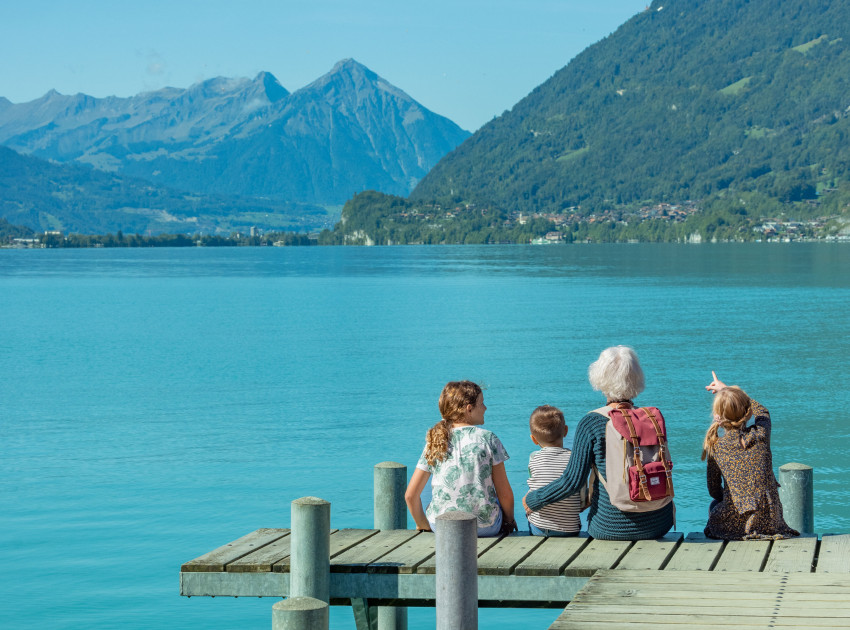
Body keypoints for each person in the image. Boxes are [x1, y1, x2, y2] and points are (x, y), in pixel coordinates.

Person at [523, 346, 674, 540]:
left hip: (611, 526)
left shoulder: (592, 422)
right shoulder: (651, 419)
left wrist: (533, 500)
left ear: (599, 377)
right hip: (661, 524)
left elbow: (572, 481)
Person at [405, 380, 516, 537]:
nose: (485, 408)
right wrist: (509, 521)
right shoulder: (488, 438)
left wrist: (423, 524)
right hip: (484, 527)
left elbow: (410, 495)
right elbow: (505, 494)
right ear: (469, 409)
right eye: (482, 403)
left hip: (442, 526)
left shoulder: (435, 440)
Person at [701, 372, 799, 540]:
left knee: (715, 504)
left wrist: (735, 497)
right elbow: (762, 411)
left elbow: (714, 489)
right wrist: (727, 389)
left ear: (717, 418)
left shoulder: (715, 447)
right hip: (770, 521)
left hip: (735, 522)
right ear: (747, 413)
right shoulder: (761, 434)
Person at [526, 405, 584, 536]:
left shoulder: (534, 458)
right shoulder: (575, 459)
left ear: (533, 439)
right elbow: (581, 497)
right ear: (565, 431)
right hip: (570, 529)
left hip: (538, 528)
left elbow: (534, 485)